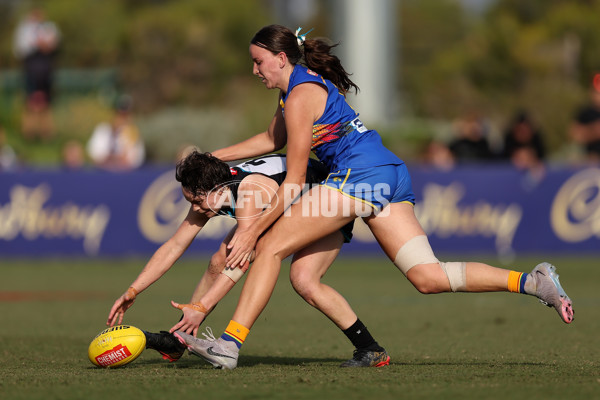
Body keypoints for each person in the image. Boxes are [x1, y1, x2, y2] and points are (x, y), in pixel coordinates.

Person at [173, 25, 574, 370]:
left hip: (359, 177)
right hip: (386, 174)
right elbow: (269, 140)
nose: (254, 69)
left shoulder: (300, 95)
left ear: (281, 58)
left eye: (258, 62)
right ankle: (532, 282)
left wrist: (252, 231)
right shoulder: (295, 91)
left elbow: (294, 180)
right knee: (415, 277)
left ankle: (229, 344)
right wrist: (209, 156)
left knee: (269, 247)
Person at [107, 151, 390, 367]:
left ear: (218, 190)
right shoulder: (214, 191)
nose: (194, 209)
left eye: (197, 201)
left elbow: (242, 259)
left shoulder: (249, 193)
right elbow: (173, 245)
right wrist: (133, 289)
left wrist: (202, 305)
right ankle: (181, 335)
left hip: (329, 199)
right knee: (237, 261)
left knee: (278, 265)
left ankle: (226, 343)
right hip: (298, 204)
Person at [13, 7, 60, 141]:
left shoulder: (50, 27)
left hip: (46, 70)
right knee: (30, 102)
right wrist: (36, 44)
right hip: (31, 69)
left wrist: (45, 45)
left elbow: (54, 44)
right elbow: (20, 50)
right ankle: (29, 134)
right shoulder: (24, 29)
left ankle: (47, 135)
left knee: (46, 103)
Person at [87, 96, 145, 171]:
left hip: (124, 177)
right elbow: (94, 155)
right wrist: (112, 158)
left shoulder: (132, 133)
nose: (122, 119)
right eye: (119, 114)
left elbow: (135, 160)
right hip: (103, 174)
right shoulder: (102, 130)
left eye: (125, 115)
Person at [569, 81, 600, 164]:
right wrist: (594, 131)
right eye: (596, 92)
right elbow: (573, 135)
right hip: (591, 160)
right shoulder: (585, 113)